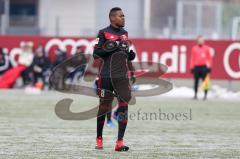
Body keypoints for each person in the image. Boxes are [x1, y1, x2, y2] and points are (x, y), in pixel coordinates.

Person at [93, 7, 136, 151]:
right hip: (106, 76)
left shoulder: (125, 34)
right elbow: (96, 54)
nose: (124, 18)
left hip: (122, 77)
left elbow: (124, 52)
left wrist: (129, 57)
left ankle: (119, 142)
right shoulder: (103, 32)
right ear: (112, 18)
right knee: (104, 108)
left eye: (124, 16)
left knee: (124, 107)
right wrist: (110, 48)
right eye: (121, 16)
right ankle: (99, 138)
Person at [190, 35, 212, 100]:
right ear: (197, 41)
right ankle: (195, 94)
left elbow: (209, 58)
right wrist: (191, 67)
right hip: (196, 67)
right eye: (199, 40)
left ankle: (205, 95)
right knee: (196, 81)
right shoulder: (194, 48)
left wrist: (209, 67)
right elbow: (192, 58)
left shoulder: (207, 48)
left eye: (202, 40)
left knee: (205, 81)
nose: (200, 41)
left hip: (204, 67)